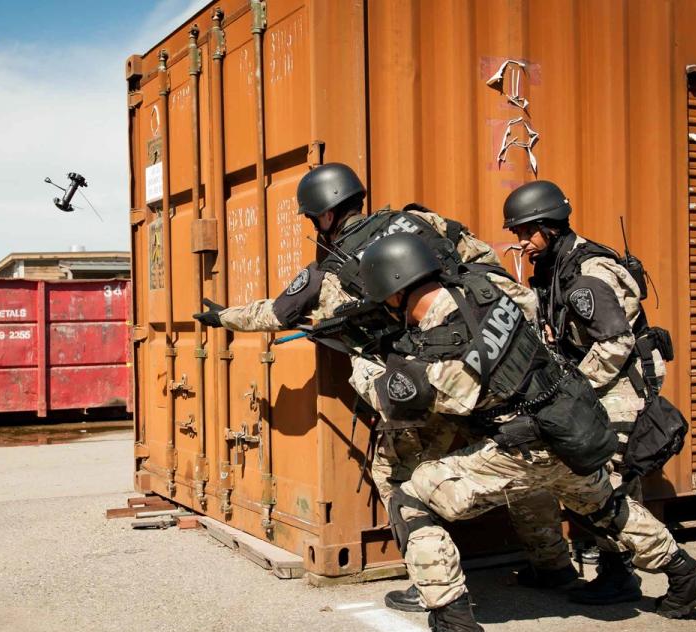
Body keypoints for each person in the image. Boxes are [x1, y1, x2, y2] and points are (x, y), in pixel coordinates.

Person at [192, 163, 575, 609]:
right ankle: (554, 566)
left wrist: (223, 317)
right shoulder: (421, 222)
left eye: (314, 218)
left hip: (426, 385)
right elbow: (486, 267)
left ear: (327, 216)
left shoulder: (330, 271)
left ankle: (430, 581)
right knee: (513, 459)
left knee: (396, 476)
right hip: (494, 363)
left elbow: (277, 314)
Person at [349, 232, 696, 632]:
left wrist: (363, 365)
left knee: (411, 499)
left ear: (396, 290)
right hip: (566, 429)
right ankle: (687, 575)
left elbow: (411, 399)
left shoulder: (448, 345)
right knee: (605, 505)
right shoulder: (484, 291)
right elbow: (528, 311)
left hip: (519, 449)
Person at [503, 179, 677, 605]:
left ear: (551, 226)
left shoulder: (587, 276)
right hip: (594, 380)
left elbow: (615, 344)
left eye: (528, 232)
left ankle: (622, 575)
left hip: (617, 383)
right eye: (518, 234)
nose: (522, 242)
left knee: (606, 480)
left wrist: (572, 391)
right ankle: (596, 563)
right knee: (585, 475)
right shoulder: (553, 266)